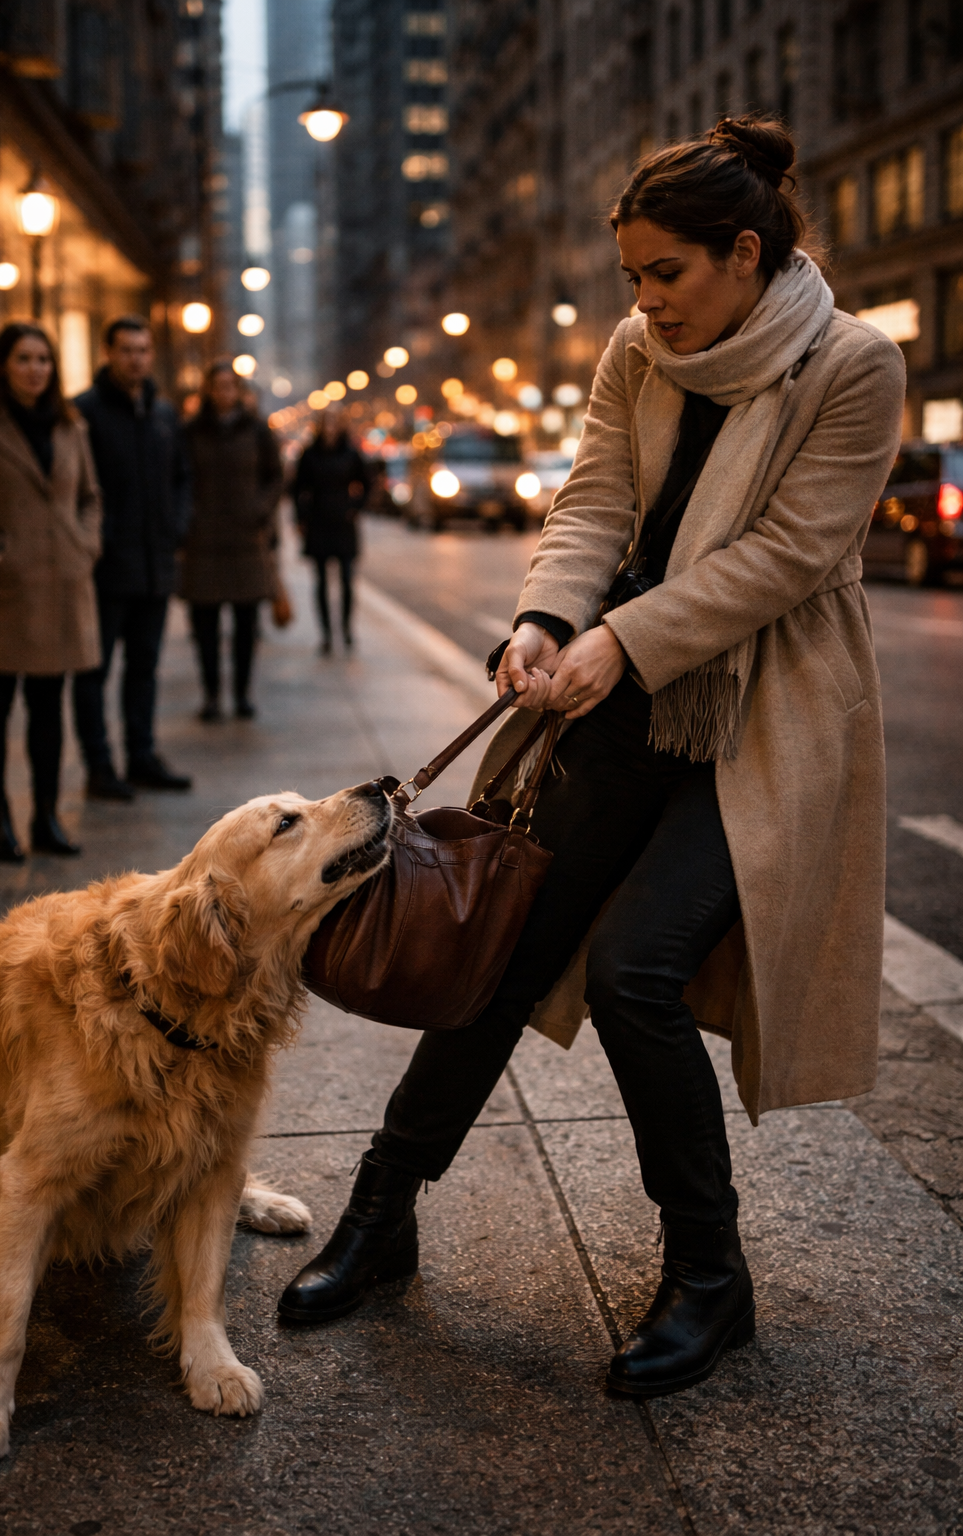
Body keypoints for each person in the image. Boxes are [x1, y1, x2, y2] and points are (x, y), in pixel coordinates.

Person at [278, 118, 907, 1398]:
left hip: (762, 712)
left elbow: (788, 558)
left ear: (744, 253)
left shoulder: (852, 364)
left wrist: (621, 637)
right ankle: (381, 1210)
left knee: (636, 971)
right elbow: (596, 500)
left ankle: (709, 1279)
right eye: (630, 277)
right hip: (617, 693)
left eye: (665, 273)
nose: (644, 301)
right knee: (492, 946)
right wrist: (543, 619)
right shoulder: (638, 351)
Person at [0, 323, 102, 861]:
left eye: (43, 360)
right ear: (2, 365)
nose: (35, 369)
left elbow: (89, 495)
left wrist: (86, 542)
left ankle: (47, 818)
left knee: (49, 710)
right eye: (24, 358)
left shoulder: (68, 425)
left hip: (60, 588)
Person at [71, 316, 192, 799]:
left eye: (143, 350)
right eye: (126, 350)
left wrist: (176, 527)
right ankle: (100, 766)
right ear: (108, 353)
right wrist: (95, 540)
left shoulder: (162, 414)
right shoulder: (85, 412)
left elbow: (182, 478)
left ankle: (141, 756)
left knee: (144, 667)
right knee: (93, 672)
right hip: (103, 568)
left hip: (154, 567)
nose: (135, 359)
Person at [180, 360, 284, 719]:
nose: (224, 393)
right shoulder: (191, 431)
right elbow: (178, 478)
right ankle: (211, 695)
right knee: (205, 626)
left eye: (230, 386)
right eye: (217, 386)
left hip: (246, 540)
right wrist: (188, 516)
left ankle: (241, 694)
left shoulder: (256, 430)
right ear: (207, 390)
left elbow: (275, 476)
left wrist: (260, 508)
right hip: (203, 541)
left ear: (238, 391)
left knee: (245, 625)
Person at [292, 409, 366, 654]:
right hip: (319, 521)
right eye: (327, 424)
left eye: (335, 423)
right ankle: (325, 633)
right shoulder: (310, 454)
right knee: (321, 581)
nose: (330, 429)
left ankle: (346, 629)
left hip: (343, 522)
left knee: (346, 579)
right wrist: (301, 517)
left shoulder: (351, 452)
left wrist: (355, 507)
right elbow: (297, 488)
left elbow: (367, 481)